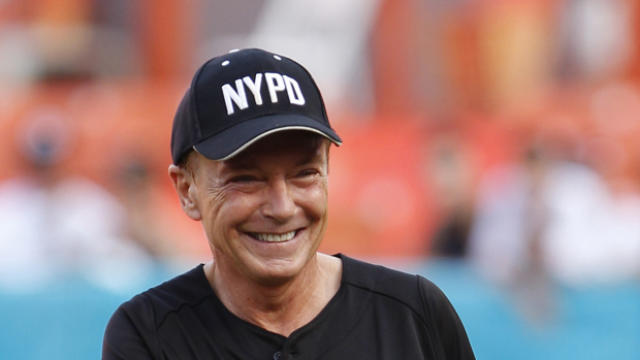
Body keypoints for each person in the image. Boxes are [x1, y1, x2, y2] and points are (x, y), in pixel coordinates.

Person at [102, 48, 475, 359]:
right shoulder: (150, 334)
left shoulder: (412, 316)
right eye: (246, 179)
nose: (281, 207)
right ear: (187, 190)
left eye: (304, 173)